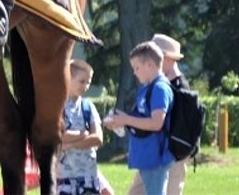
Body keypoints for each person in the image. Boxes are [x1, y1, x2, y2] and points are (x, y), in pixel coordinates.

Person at [105, 41, 174, 195]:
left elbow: (156, 123)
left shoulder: (160, 88)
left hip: (155, 158)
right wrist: (120, 120)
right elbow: (141, 119)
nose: (135, 73)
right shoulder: (146, 89)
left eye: (137, 68)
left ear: (150, 65)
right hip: (146, 157)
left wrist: (126, 120)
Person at [126, 34, 188, 195]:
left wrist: (126, 119)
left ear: (166, 58)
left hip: (169, 153)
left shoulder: (174, 87)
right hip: (155, 152)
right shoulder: (157, 85)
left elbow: (158, 122)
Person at [57, 59, 107, 195]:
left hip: (88, 176)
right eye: (82, 81)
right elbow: (57, 138)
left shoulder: (87, 107)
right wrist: (83, 134)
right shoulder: (57, 108)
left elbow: (97, 138)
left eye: (88, 82)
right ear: (68, 78)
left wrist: (71, 145)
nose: (85, 86)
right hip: (64, 178)